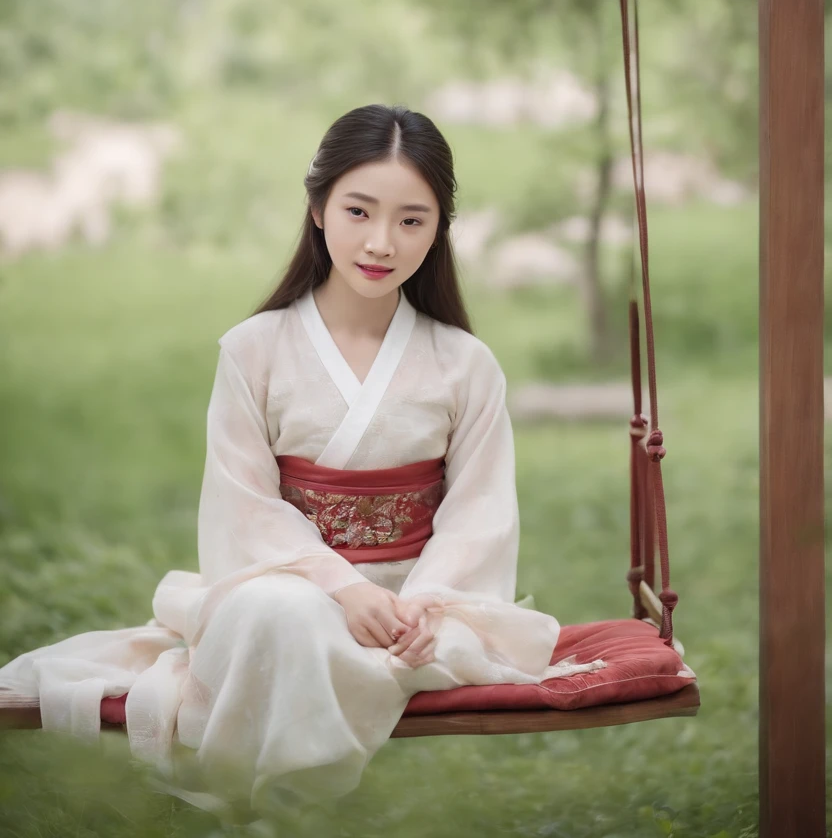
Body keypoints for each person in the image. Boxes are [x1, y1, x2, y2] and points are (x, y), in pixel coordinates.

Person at [0, 102, 570, 819]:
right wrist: (340, 587)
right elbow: (245, 505)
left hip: (420, 605)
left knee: (363, 636)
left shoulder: (466, 365)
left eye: (412, 220)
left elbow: (479, 514)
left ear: (439, 229)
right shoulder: (253, 350)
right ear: (318, 207)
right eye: (359, 212)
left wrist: (422, 606)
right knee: (281, 616)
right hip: (288, 588)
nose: (382, 242)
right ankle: (286, 809)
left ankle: (290, 801)